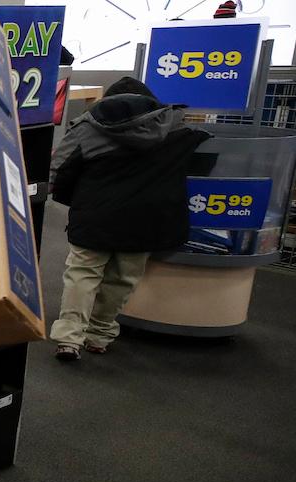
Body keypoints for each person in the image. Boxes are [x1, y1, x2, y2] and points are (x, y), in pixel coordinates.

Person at [49, 77, 210, 361]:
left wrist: (66, 196)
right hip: (146, 219)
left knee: (81, 275)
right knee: (122, 279)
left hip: (95, 214)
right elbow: (203, 159)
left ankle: (69, 338)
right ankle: (99, 335)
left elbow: (59, 168)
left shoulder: (87, 128)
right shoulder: (175, 125)